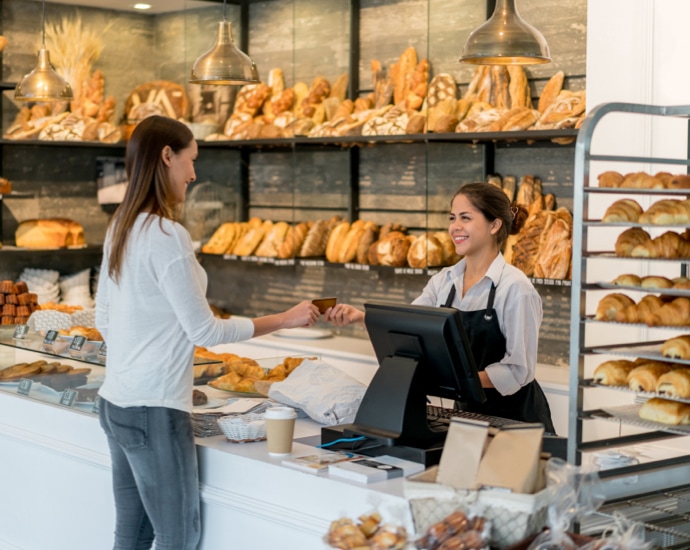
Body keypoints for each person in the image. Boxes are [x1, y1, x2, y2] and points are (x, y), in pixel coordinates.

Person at [95, 115, 319, 550]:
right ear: (167, 157)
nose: (194, 174)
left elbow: (103, 317)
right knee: (178, 537)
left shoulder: (121, 225)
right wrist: (287, 319)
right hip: (154, 410)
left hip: (115, 401)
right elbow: (205, 330)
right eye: (190, 160)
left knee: (133, 534)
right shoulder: (166, 234)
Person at [324, 182, 555, 433]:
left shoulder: (515, 288)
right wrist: (361, 318)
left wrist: (458, 380)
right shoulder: (444, 281)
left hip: (516, 422)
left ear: (495, 225)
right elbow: (408, 326)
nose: (455, 227)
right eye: (452, 218)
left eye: (465, 218)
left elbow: (518, 370)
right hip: (466, 414)